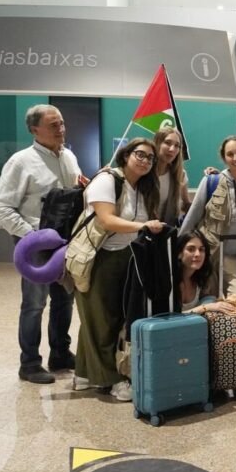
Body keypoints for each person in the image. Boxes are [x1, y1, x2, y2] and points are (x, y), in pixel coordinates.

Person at [0, 104, 83, 384]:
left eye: (62, 123)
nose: (61, 129)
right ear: (35, 130)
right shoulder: (21, 162)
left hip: (65, 243)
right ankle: (29, 363)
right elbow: (0, 207)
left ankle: (60, 354)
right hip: (35, 247)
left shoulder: (69, 157)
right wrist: (31, 235)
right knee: (34, 303)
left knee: (64, 300)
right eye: (54, 125)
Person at [73, 138, 162, 402]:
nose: (145, 160)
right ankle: (110, 379)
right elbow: (107, 219)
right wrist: (143, 227)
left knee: (103, 318)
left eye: (150, 158)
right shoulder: (108, 180)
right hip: (99, 257)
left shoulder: (141, 187)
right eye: (140, 154)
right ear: (125, 155)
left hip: (126, 255)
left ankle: (84, 373)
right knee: (102, 320)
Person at [181, 137, 236, 297]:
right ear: (224, 158)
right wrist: (179, 248)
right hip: (208, 254)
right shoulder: (211, 181)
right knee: (208, 300)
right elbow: (192, 217)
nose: (235, 158)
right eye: (230, 154)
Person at [176, 230, 234, 315]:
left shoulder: (202, 279)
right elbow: (171, 317)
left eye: (201, 249)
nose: (197, 254)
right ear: (179, 253)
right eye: (191, 249)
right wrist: (206, 307)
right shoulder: (170, 281)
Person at [153, 127, 190, 225]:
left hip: (166, 233)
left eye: (177, 145)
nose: (172, 149)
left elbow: (186, 205)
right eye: (167, 143)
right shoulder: (143, 170)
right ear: (157, 143)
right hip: (140, 232)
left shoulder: (180, 174)